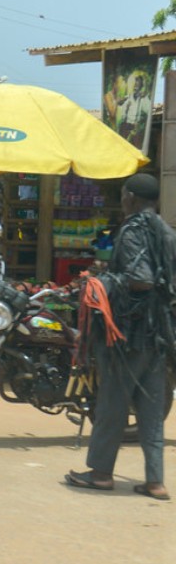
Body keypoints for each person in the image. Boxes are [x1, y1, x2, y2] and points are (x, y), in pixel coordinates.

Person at [65, 173, 173, 500]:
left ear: (129, 197)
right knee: (151, 409)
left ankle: (100, 474)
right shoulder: (166, 232)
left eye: (123, 194)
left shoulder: (133, 230)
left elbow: (140, 280)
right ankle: (155, 481)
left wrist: (101, 283)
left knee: (112, 400)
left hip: (129, 332)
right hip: (157, 334)